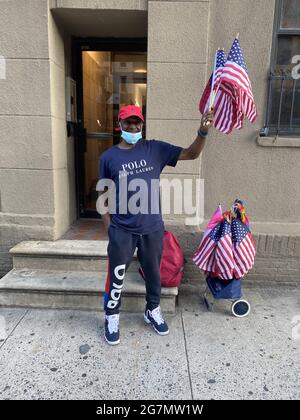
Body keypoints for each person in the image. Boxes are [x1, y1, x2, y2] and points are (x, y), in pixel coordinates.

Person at [98, 104, 214, 345]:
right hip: (122, 229)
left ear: (142, 124)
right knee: (116, 275)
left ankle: (152, 310)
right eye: (128, 122)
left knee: (153, 273)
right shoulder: (108, 157)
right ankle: (111, 315)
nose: (133, 126)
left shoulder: (155, 149)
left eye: (137, 122)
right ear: (119, 124)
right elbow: (103, 196)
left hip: (152, 228)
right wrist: (109, 227)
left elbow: (191, 153)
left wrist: (202, 132)